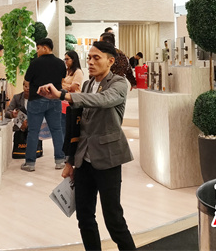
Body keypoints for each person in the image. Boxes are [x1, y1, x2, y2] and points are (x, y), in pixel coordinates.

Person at [38, 40, 136, 251]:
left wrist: (63, 95)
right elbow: (76, 127)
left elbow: (102, 100)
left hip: (108, 158)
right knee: (84, 217)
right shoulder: (87, 84)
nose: (90, 62)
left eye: (96, 58)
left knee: (114, 220)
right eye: (89, 58)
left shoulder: (119, 83)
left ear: (110, 61)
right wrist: (69, 161)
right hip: (83, 160)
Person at [21, 38, 66, 172]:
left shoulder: (35, 63)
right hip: (55, 99)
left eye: (38, 48)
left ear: (45, 48)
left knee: (33, 131)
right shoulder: (60, 63)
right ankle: (60, 161)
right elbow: (62, 80)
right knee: (57, 130)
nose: (37, 51)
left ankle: (30, 163)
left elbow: (27, 80)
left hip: (36, 100)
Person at [61, 50, 84, 140]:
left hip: (73, 102)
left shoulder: (78, 72)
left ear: (73, 59)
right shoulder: (66, 71)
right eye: (65, 59)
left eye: (67, 59)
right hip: (63, 102)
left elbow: (73, 88)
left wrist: (63, 86)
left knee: (70, 127)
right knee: (63, 125)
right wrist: (66, 86)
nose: (65, 61)